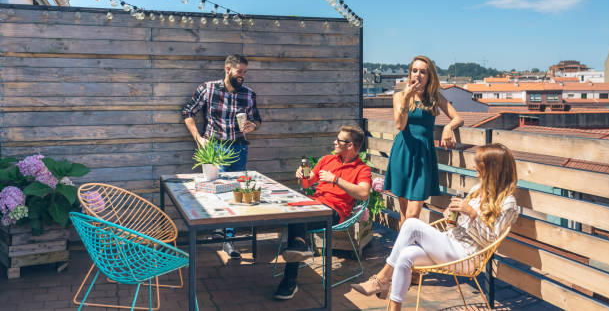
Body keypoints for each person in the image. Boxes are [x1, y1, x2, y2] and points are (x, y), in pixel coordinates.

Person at [351, 143, 519, 310]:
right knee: (406, 254)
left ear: (492, 168)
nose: (473, 166)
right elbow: (461, 225)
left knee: (411, 224)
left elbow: (490, 240)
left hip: (467, 256)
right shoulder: (478, 188)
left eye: (478, 163)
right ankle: (394, 307)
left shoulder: (508, 203)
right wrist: (453, 216)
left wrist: (472, 214)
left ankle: (381, 280)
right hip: (450, 244)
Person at [274, 126, 372, 300]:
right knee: (293, 214)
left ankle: (290, 277)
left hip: (334, 212)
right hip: (314, 205)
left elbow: (364, 193)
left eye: (339, 140)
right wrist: (301, 176)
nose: (334, 142)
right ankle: (300, 246)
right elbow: (306, 184)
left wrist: (336, 180)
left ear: (350, 145)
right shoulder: (327, 160)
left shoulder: (361, 169)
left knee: (298, 220)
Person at [181, 54, 262, 259]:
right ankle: (218, 230)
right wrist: (198, 138)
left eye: (244, 72)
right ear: (228, 69)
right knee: (215, 192)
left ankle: (229, 239)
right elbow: (187, 111)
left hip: (238, 148)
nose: (242, 76)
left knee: (236, 192)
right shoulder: (208, 89)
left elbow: (257, 120)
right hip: (213, 149)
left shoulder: (249, 94)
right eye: (239, 71)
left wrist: (252, 126)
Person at [384, 55, 463, 228]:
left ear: (429, 76)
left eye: (423, 71)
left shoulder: (434, 97)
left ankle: (405, 250)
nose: (418, 74)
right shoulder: (399, 96)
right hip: (403, 152)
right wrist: (407, 97)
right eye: (414, 70)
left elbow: (458, 118)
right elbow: (400, 124)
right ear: (410, 73)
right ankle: (404, 252)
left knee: (412, 214)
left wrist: (448, 128)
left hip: (423, 156)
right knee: (404, 212)